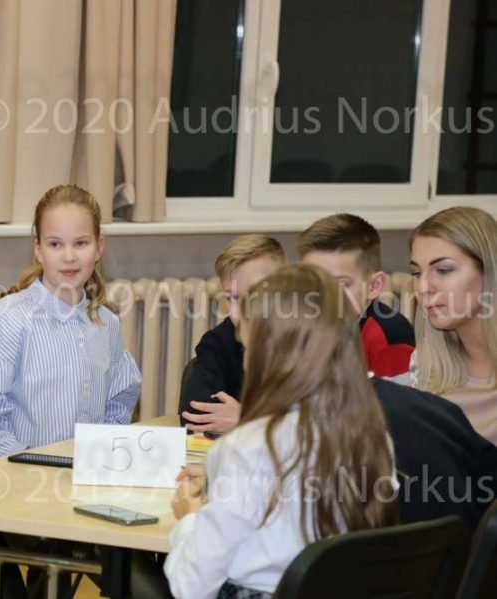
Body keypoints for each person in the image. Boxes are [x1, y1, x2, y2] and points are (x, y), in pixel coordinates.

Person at [165, 264, 399, 599]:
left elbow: (190, 587)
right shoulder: (373, 436)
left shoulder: (247, 447)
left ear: (270, 356)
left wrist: (189, 516)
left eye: (248, 349)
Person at [0, 184, 141, 465]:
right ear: (38, 249)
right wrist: (39, 466)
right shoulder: (7, 319)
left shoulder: (107, 324)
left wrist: (99, 459)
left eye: (81, 243)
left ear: (99, 247)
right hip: (13, 479)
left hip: (80, 479)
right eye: (55, 244)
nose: (69, 256)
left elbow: (118, 404)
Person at [178, 234, 286, 434]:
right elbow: (194, 416)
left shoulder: (306, 340)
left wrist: (246, 419)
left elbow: (320, 423)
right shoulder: (220, 341)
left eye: (255, 295)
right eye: (233, 297)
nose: (243, 310)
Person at [409, 206, 497, 443]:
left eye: (443, 270)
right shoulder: (424, 365)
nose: (423, 288)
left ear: (489, 272)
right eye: (416, 273)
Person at [298, 213, 415, 378]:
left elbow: (397, 394)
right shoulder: (304, 326)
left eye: (340, 285)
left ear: (374, 286)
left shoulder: (390, 338)